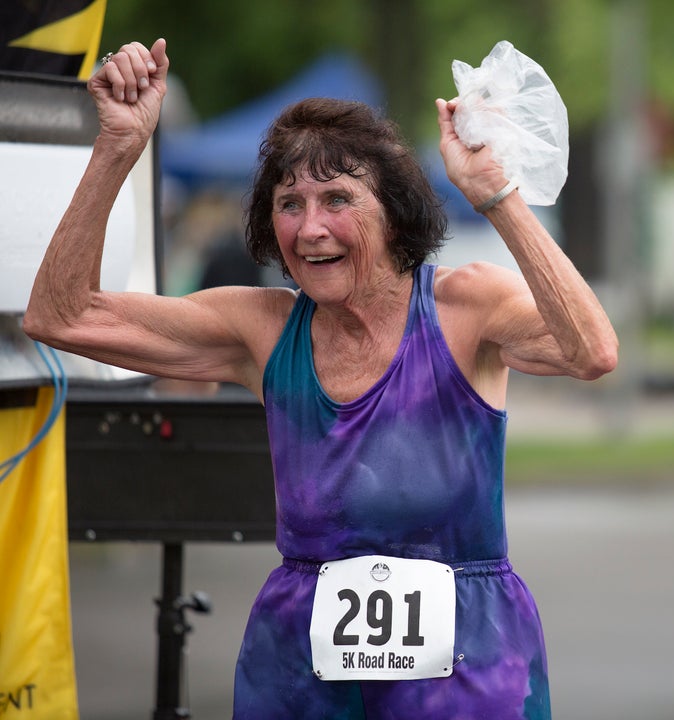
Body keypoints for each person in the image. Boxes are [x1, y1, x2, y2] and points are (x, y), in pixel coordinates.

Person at [23, 39, 618, 719]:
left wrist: (496, 197)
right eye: (288, 203)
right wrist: (118, 150)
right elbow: (59, 315)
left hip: (471, 662)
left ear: (393, 211)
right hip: (300, 668)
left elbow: (591, 350)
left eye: (337, 199)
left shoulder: (466, 307)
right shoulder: (263, 328)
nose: (310, 229)